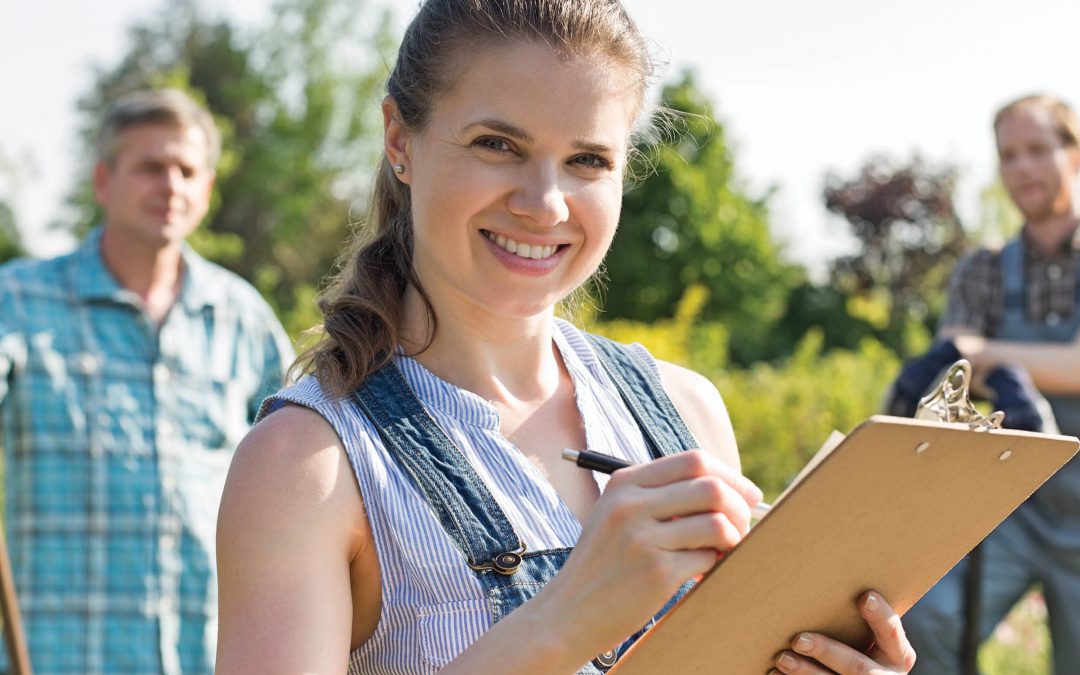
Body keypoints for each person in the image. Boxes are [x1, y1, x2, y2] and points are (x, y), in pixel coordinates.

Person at [215, 2, 917, 673]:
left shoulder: (687, 413)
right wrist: (566, 618)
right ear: (401, 140)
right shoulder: (305, 465)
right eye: (498, 145)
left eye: (587, 161)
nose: (544, 202)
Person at [0, 88, 294, 673]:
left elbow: (296, 473)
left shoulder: (242, 317)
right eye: (150, 167)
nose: (171, 185)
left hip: (206, 655)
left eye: (187, 170)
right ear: (104, 182)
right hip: (56, 654)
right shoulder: (18, 300)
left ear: (207, 189)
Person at [904, 94, 1080, 674]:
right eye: (1008, 155)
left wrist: (990, 353)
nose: (1022, 168)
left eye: (1037, 150)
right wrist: (976, 358)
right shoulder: (983, 268)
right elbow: (954, 366)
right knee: (928, 620)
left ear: (1073, 154)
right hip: (1015, 506)